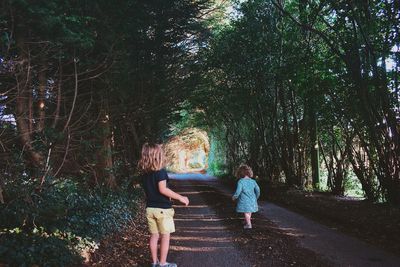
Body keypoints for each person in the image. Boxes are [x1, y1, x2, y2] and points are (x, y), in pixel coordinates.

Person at [138, 143, 189, 267]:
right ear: (158, 156)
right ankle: (163, 263)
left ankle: (154, 263)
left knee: (154, 236)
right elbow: (163, 189)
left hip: (150, 208)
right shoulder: (160, 172)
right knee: (165, 237)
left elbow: (151, 191)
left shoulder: (144, 174)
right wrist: (180, 197)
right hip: (163, 210)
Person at [232, 164, 260, 229]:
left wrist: (234, 197)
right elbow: (258, 190)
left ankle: (249, 225)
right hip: (252, 200)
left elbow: (238, 191)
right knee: (249, 212)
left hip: (244, 201)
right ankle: (246, 221)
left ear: (240, 173)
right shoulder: (253, 181)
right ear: (249, 172)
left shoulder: (241, 181)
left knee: (246, 212)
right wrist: (256, 197)